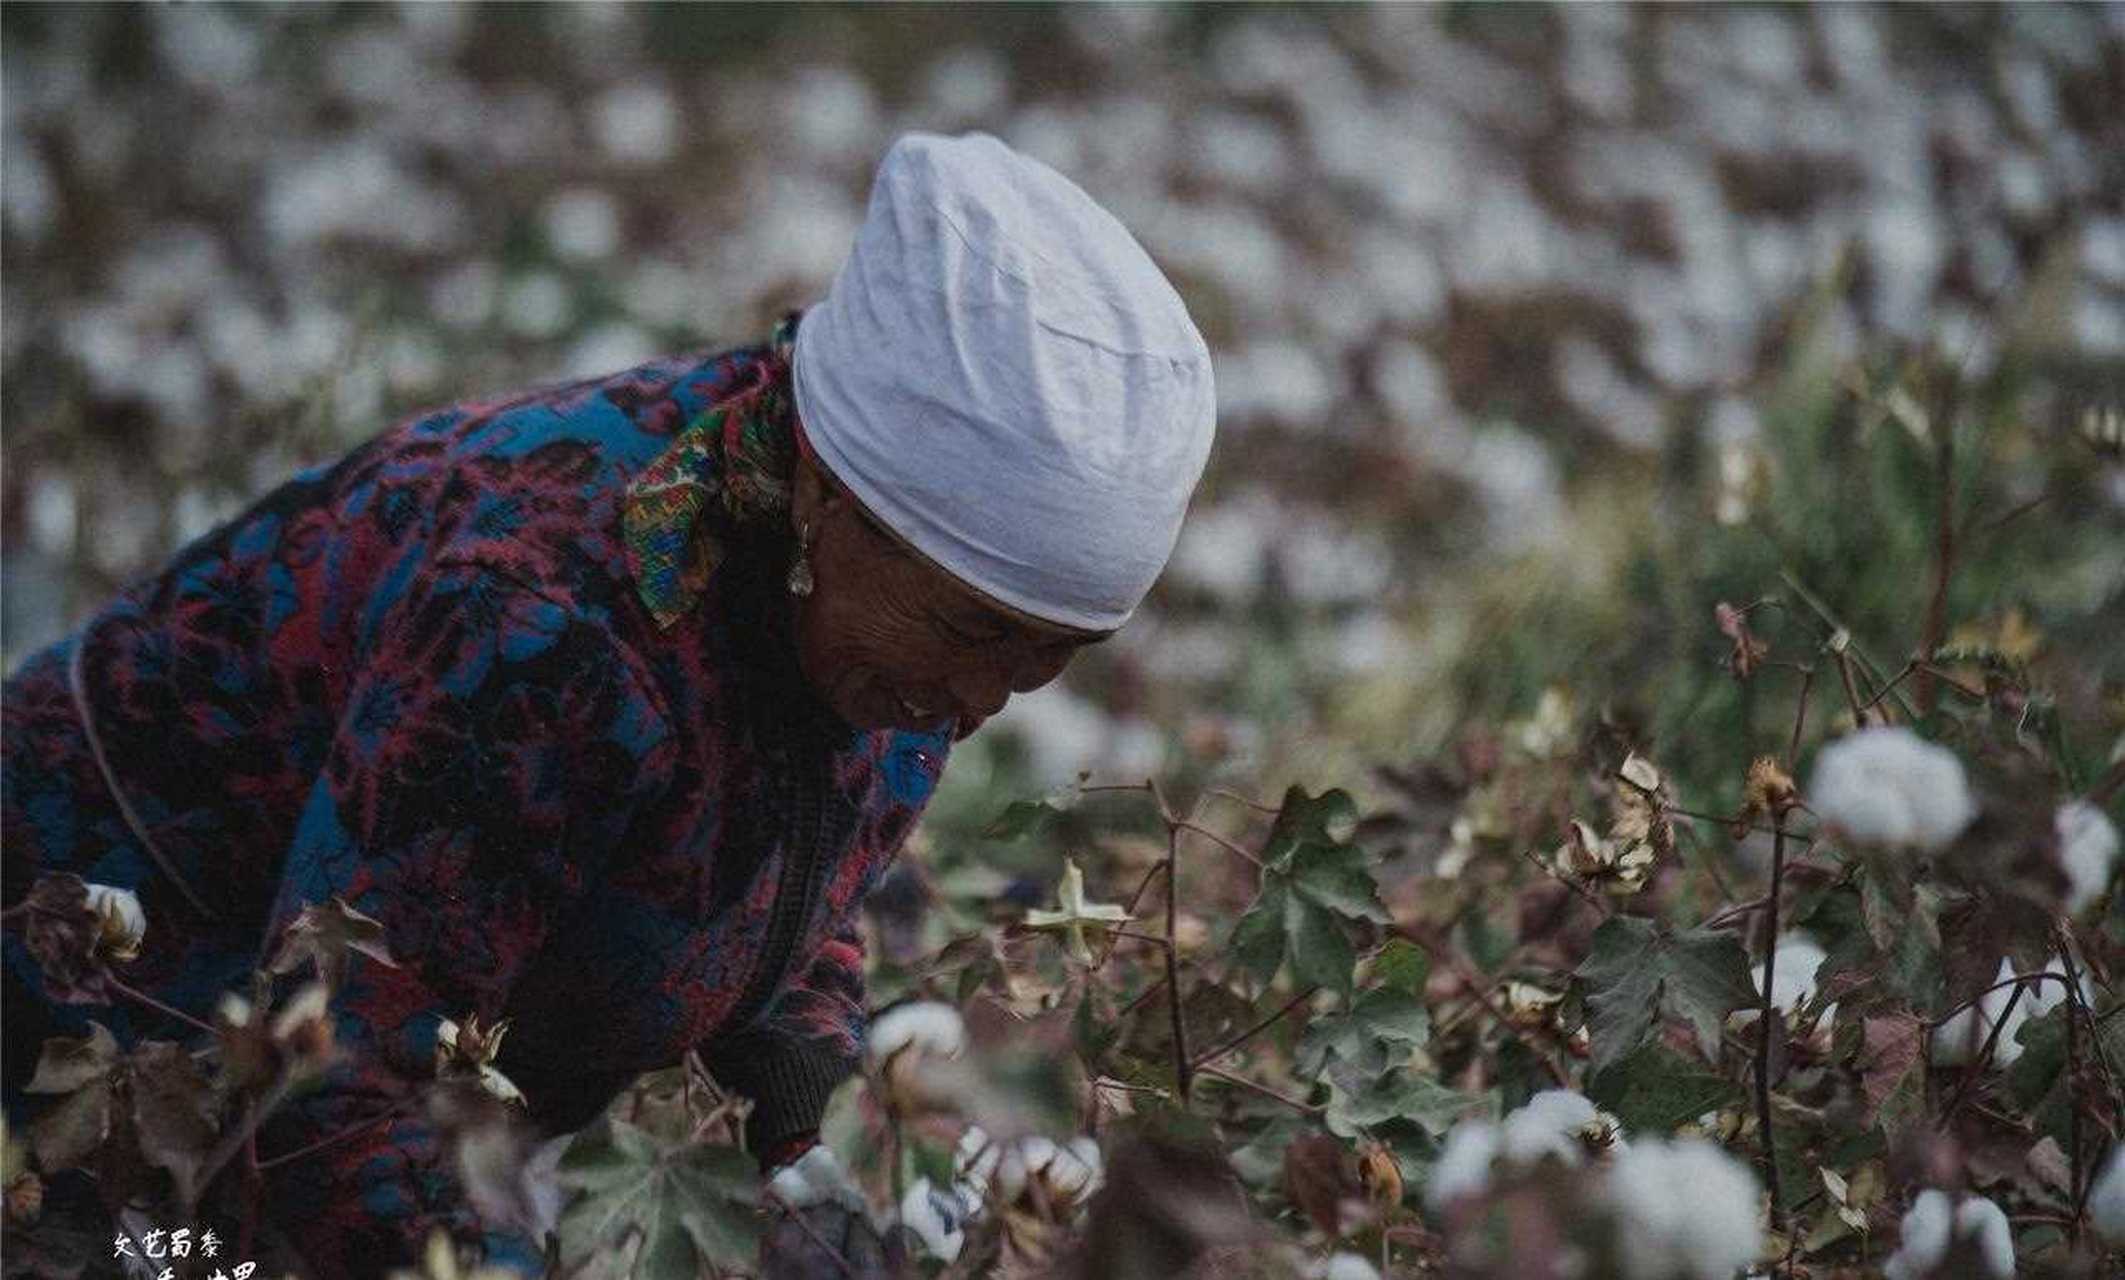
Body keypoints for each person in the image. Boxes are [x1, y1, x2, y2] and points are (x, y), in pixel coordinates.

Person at [0, 131, 1216, 1276]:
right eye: (969, 630)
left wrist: (806, 1129)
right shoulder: (543, 629)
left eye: (1049, 654)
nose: (978, 701)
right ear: (837, 498)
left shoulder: (842, 584)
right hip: (90, 1036)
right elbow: (327, 1087)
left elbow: (791, 861)